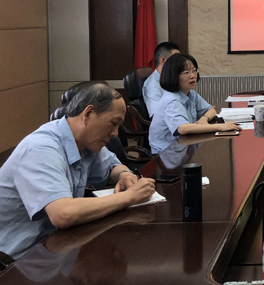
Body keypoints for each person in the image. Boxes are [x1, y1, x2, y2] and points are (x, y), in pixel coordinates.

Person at [0, 81, 156, 260]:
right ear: (88, 114)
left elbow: (112, 165)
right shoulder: (41, 149)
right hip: (17, 260)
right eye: (113, 123)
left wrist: (124, 175)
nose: (115, 133)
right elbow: (63, 214)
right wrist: (129, 197)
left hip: (55, 245)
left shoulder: (85, 141)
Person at [149, 53, 242, 154]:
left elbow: (211, 110)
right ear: (174, 76)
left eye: (194, 71)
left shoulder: (190, 93)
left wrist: (204, 119)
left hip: (185, 145)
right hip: (166, 153)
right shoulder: (171, 99)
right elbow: (183, 128)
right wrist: (221, 127)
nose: (193, 76)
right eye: (186, 72)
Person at [143, 41, 181, 118]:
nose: (179, 63)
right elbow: (158, 116)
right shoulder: (152, 87)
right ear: (163, 60)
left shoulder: (174, 78)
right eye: (176, 60)